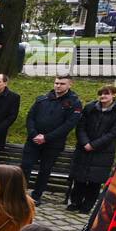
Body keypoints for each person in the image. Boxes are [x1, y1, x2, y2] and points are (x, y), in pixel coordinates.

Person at [21, 76, 83, 204]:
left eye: (62, 83)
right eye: (56, 83)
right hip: (33, 140)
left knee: (45, 170)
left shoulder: (74, 103)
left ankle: (36, 196)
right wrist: (34, 134)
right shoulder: (42, 99)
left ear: (70, 85)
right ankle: (20, 194)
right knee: (25, 166)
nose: (58, 86)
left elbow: (69, 125)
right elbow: (30, 117)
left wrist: (46, 137)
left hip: (53, 143)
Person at [67, 85, 116, 212]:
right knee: (79, 178)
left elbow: (114, 132)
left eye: (106, 94)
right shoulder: (90, 108)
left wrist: (94, 145)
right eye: (101, 94)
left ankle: (87, 206)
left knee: (94, 181)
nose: (103, 96)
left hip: (103, 151)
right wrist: (85, 142)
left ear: (114, 95)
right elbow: (81, 127)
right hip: (84, 148)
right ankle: (75, 202)